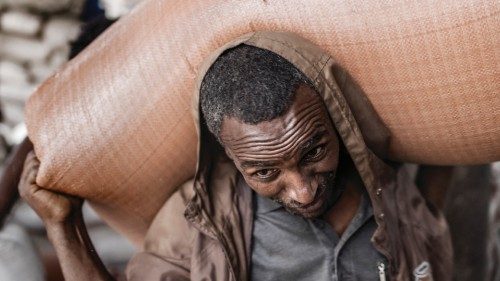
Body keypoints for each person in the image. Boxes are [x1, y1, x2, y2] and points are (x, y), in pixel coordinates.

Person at [19, 31, 452, 281]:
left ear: (335, 119)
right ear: (228, 156)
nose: (303, 191)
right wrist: (64, 227)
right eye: (265, 171)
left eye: (314, 150)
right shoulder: (201, 221)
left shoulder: (390, 188)